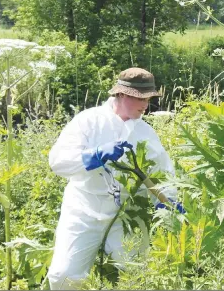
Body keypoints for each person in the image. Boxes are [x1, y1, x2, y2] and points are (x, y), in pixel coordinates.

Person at [47, 67, 183, 290]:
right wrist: (96, 155)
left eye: (148, 98)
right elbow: (58, 162)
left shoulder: (145, 132)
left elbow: (163, 171)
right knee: (64, 276)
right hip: (84, 209)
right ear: (121, 94)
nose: (146, 105)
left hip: (128, 212)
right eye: (140, 98)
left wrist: (169, 202)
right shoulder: (88, 121)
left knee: (138, 274)